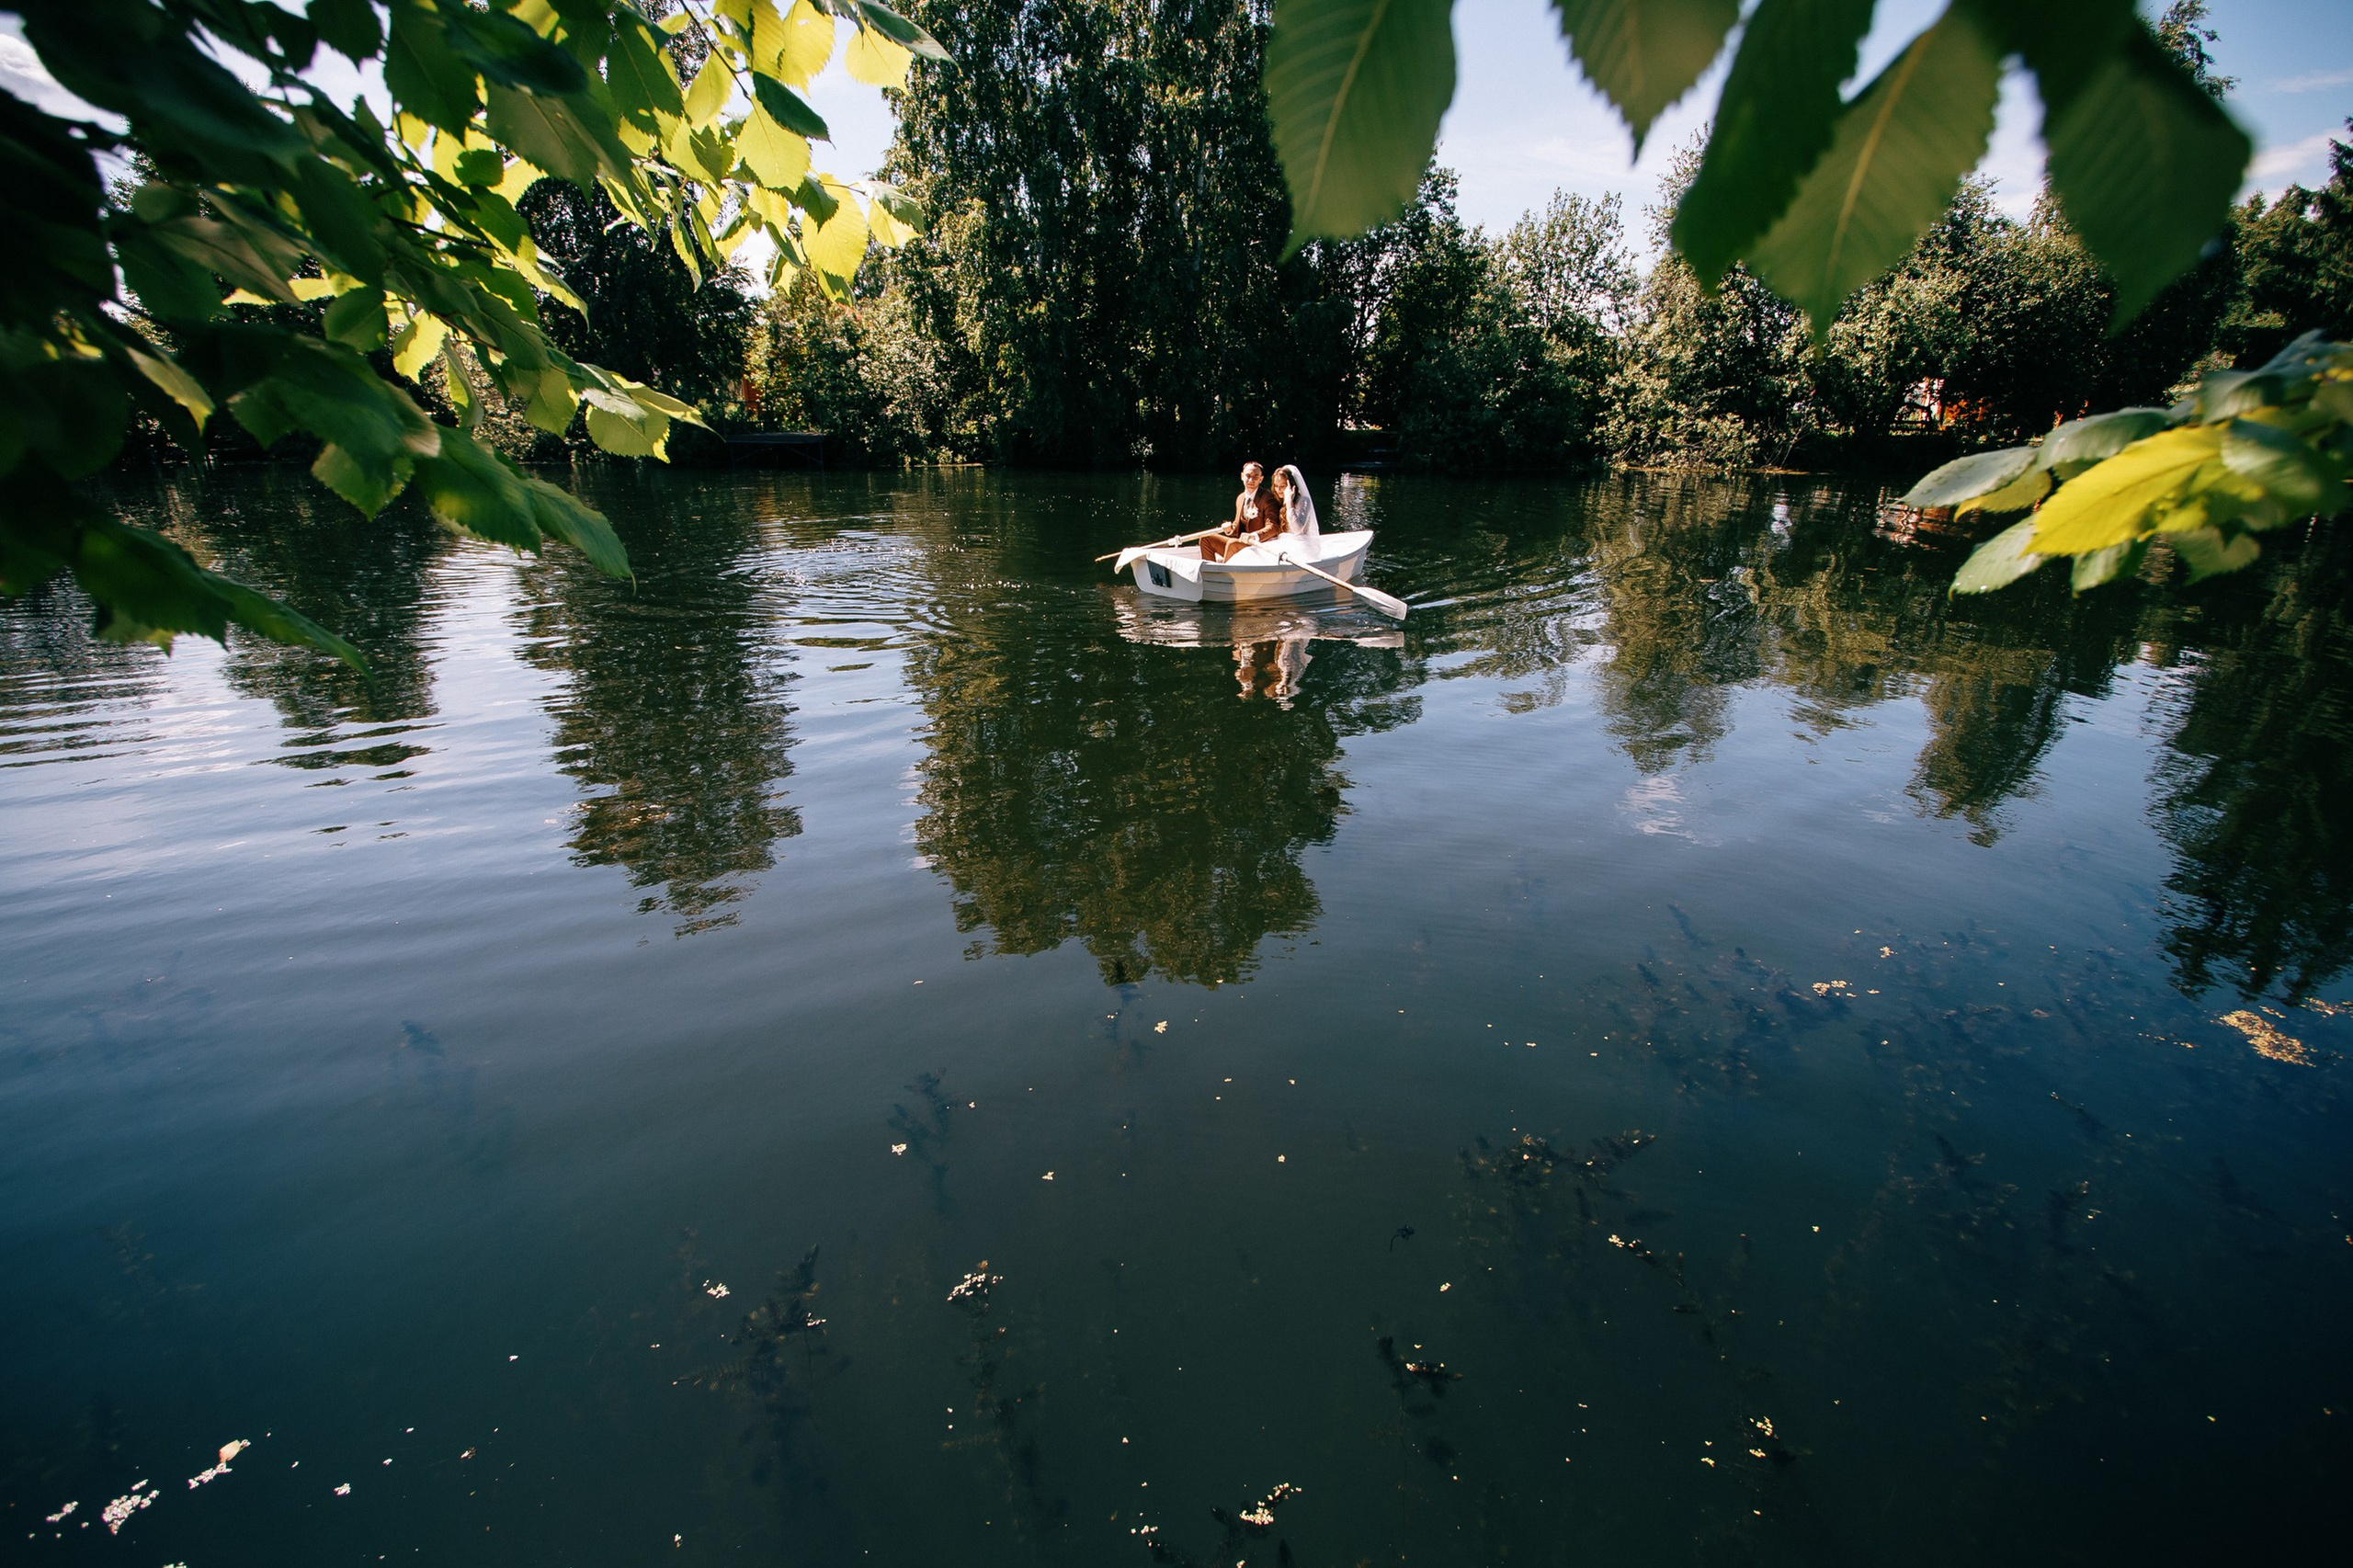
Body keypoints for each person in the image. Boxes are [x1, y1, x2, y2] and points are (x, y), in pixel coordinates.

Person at [1202, 462, 1281, 562]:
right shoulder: (1240, 498)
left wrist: (1254, 536)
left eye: (1255, 477)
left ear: (1261, 479)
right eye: (1248, 476)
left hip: (1258, 546)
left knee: (1232, 544)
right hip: (1241, 544)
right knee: (1206, 539)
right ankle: (1210, 574)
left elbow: (1274, 527)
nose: (1251, 480)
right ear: (1242, 476)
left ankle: (1224, 575)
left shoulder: (1268, 498)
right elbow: (1237, 526)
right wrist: (1230, 528)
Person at [1269, 464, 1321, 549]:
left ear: (1292, 486)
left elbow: (1298, 529)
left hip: (1301, 546)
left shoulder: (1304, 501)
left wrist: (1289, 502)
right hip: (1286, 542)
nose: (1278, 490)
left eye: (1282, 486)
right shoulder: (1279, 500)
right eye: (1276, 486)